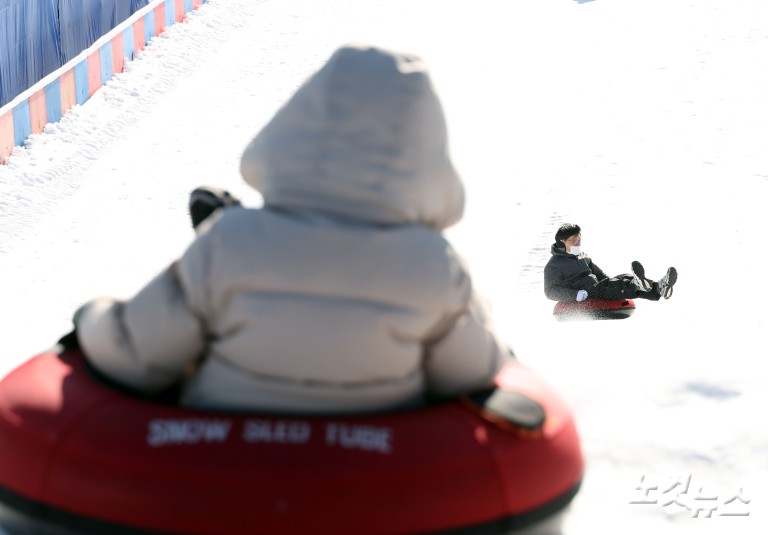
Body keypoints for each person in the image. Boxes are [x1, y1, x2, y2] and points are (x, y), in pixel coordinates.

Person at [72, 44, 508, 414]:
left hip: (220, 467)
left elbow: (131, 355)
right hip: (371, 480)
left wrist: (92, 314)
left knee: (193, 334)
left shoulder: (228, 241)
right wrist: (472, 309)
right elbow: (471, 373)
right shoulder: (432, 265)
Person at [543, 223, 677, 303]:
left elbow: (601, 276)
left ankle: (659, 288)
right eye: (574, 241)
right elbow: (550, 291)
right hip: (583, 293)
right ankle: (636, 285)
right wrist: (575, 295)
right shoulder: (554, 265)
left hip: (597, 287)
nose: (578, 243)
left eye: (579, 240)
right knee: (610, 286)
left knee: (623, 277)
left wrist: (615, 280)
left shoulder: (583, 257)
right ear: (562, 242)